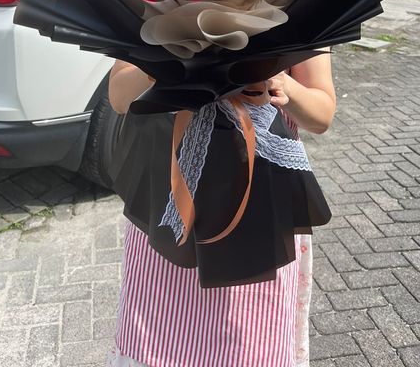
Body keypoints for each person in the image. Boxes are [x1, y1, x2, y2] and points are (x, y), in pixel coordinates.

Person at [106, 53, 336, 367]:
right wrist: (163, 63)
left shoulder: (307, 7)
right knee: (157, 337)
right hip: (170, 203)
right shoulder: (148, 5)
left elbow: (321, 115)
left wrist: (282, 84)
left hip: (258, 208)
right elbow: (119, 96)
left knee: (249, 345)